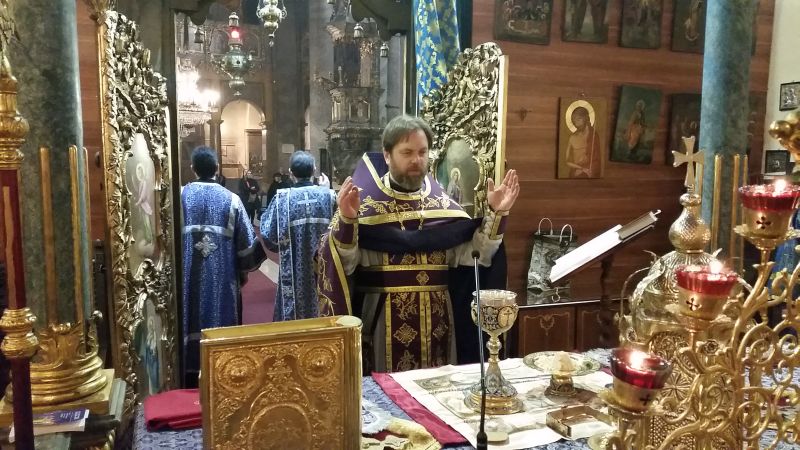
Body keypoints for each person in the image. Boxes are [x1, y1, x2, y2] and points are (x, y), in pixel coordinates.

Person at [316, 115, 520, 373]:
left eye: (422, 152)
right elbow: (344, 264)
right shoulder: (364, 207)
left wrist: (497, 214)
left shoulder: (445, 207)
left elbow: (477, 256)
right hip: (382, 324)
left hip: (440, 326)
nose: (416, 160)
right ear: (387, 155)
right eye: (407, 152)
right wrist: (347, 220)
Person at [180, 146, 265, 387]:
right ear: (217, 169)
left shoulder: (180, 196)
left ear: (193, 168)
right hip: (222, 279)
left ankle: (188, 374)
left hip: (186, 278)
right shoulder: (232, 200)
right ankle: (224, 369)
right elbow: (246, 247)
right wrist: (242, 273)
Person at [261, 151, 336, 321]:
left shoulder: (281, 199)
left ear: (290, 172)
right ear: (314, 170)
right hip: (324, 271)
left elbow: (268, 235)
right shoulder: (329, 196)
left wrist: (282, 245)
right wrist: (326, 189)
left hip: (294, 271)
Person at [565, 106, 601, 178]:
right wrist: (581, 168)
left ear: (586, 118)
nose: (576, 123)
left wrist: (587, 170)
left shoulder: (593, 135)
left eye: (579, 119)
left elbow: (596, 159)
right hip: (575, 170)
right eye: (574, 120)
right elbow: (567, 161)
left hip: (589, 171)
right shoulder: (572, 138)